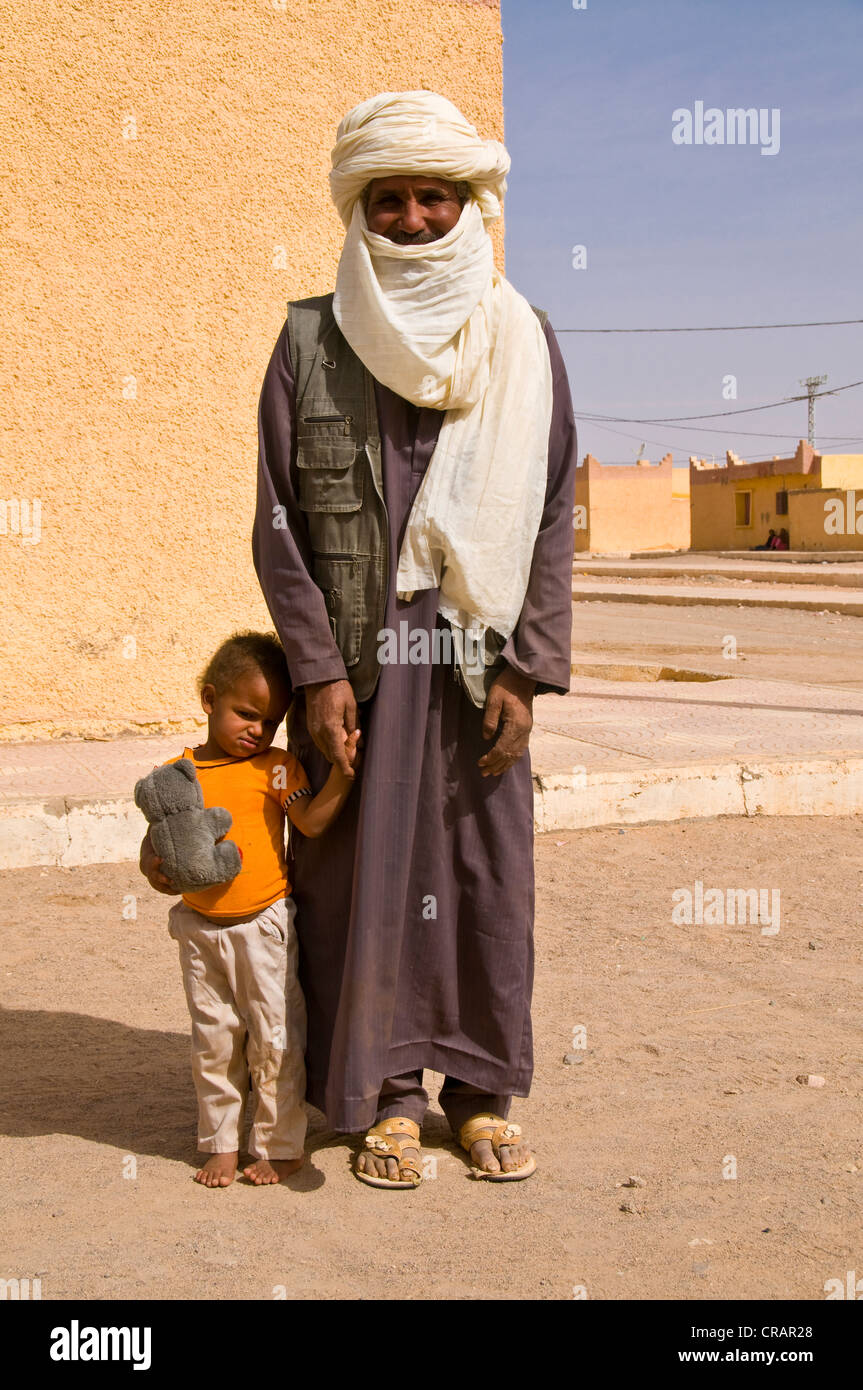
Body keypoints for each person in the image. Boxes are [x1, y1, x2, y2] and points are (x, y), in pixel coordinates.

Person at [253, 91, 577, 1187]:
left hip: (477, 657)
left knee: (484, 876)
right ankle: (388, 1094)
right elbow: (278, 517)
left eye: (430, 195)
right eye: (385, 198)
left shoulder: (520, 336)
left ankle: (480, 1092)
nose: (409, 216)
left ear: (465, 202)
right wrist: (315, 672)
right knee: (361, 871)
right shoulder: (309, 337)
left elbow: (546, 513)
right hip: (361, 663)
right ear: (360, 209)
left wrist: (529, 667)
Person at [139, 631, 359, 1187]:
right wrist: (152, 867)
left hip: (264, 925)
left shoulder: (277, 768)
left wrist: (344, 776)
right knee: (213, 1039)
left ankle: (281, 1144)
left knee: (275, 1039)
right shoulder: (178, 777)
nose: (257, 731)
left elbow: (308, 822)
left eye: (271, 720)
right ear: (209, 699)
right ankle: (219, 1142)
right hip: (198, 928)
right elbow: (157, 843)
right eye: (246, 714)